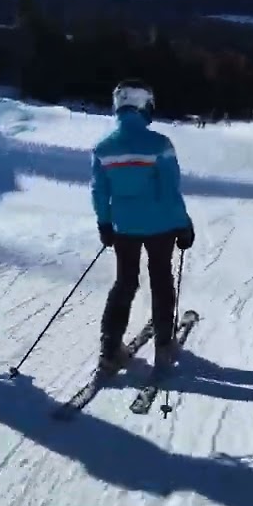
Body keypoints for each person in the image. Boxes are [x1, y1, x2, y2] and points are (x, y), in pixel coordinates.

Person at [91, 80, 195, 376]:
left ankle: (110, 351)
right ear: (143, 106)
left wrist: (104, 223)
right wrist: (183, 225)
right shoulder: (160, 145)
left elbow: (99, 191)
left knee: (125, 282)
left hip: (124, 228)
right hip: (161, 227)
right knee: (161, 278)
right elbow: (171, 192)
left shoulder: (103, 148)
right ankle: (164, 345)